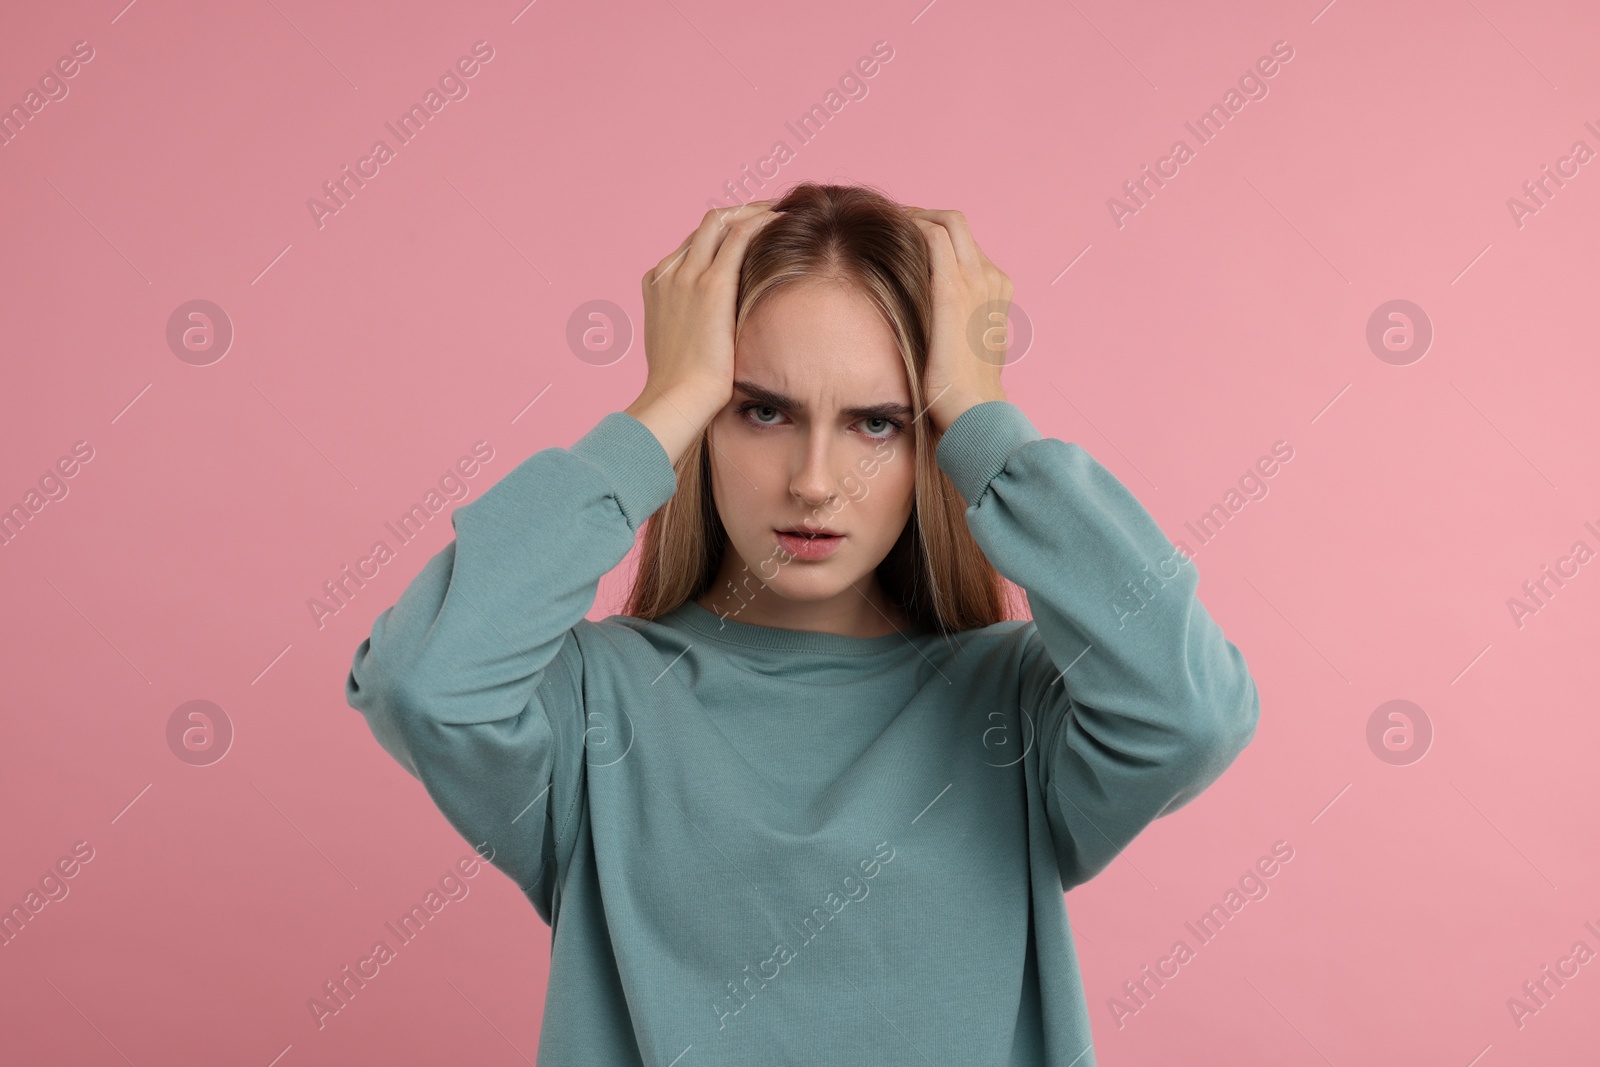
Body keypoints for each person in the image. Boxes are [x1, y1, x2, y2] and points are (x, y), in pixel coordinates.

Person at [345, 182, 1260, 1065]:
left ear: (929, 438)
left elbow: (1192, 714)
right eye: (762, 409)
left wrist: (984, 420)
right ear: (706, 422)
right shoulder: (594, 702)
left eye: (877, 423)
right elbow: (423, 683)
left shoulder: (1018, 706)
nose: (814, 481)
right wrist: (658, 408)